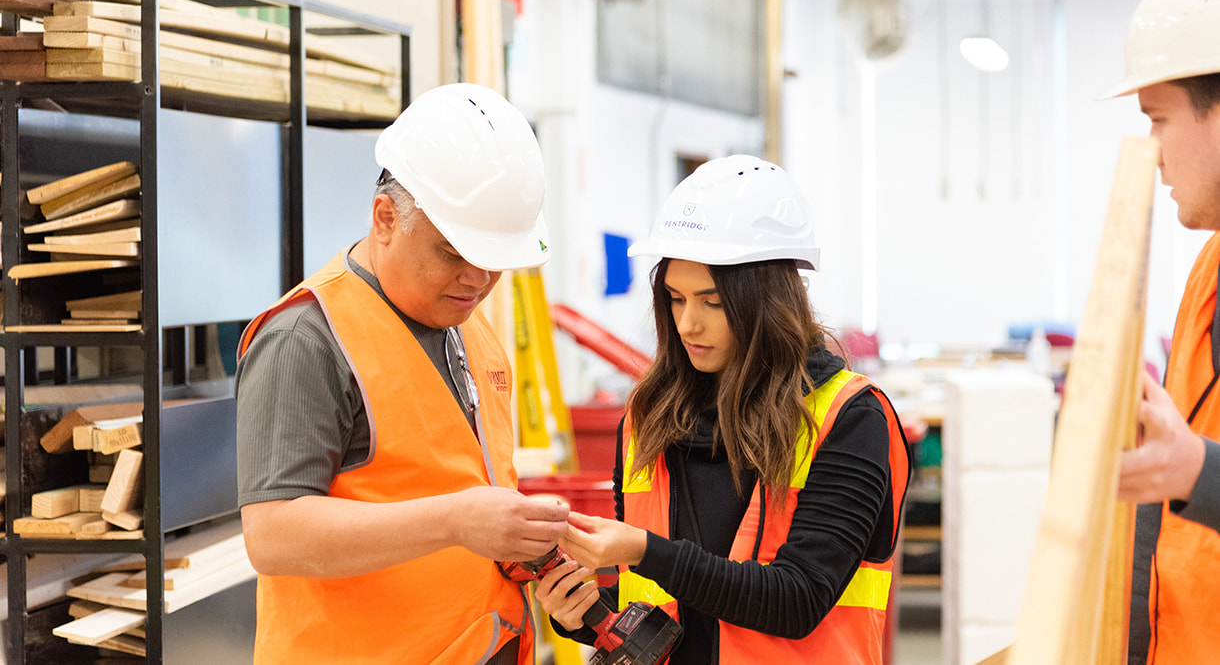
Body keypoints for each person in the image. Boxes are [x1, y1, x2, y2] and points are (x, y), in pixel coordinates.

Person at [234, 82, 569, 664]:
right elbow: (274, 536)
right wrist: (457, 521)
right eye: (452, 253)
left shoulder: (465, 320)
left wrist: (526, 545)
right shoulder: (305, 340)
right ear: (386, 217)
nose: (477, 280)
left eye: (493, 262)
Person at [533, 155, 911, 663]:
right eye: (675, 298)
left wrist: (644, 551)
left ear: (767, 300)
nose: (688, 324)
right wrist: (584, 614)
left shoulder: (849, 418)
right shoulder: (649, 422)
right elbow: (656, 611)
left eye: (711, 302)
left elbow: (799, 599)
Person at [1103, 0, 1220, 665]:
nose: (1150, 151)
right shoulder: (1208, 265)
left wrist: (1198, 474)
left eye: (1159, 120)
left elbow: (1189, 470)